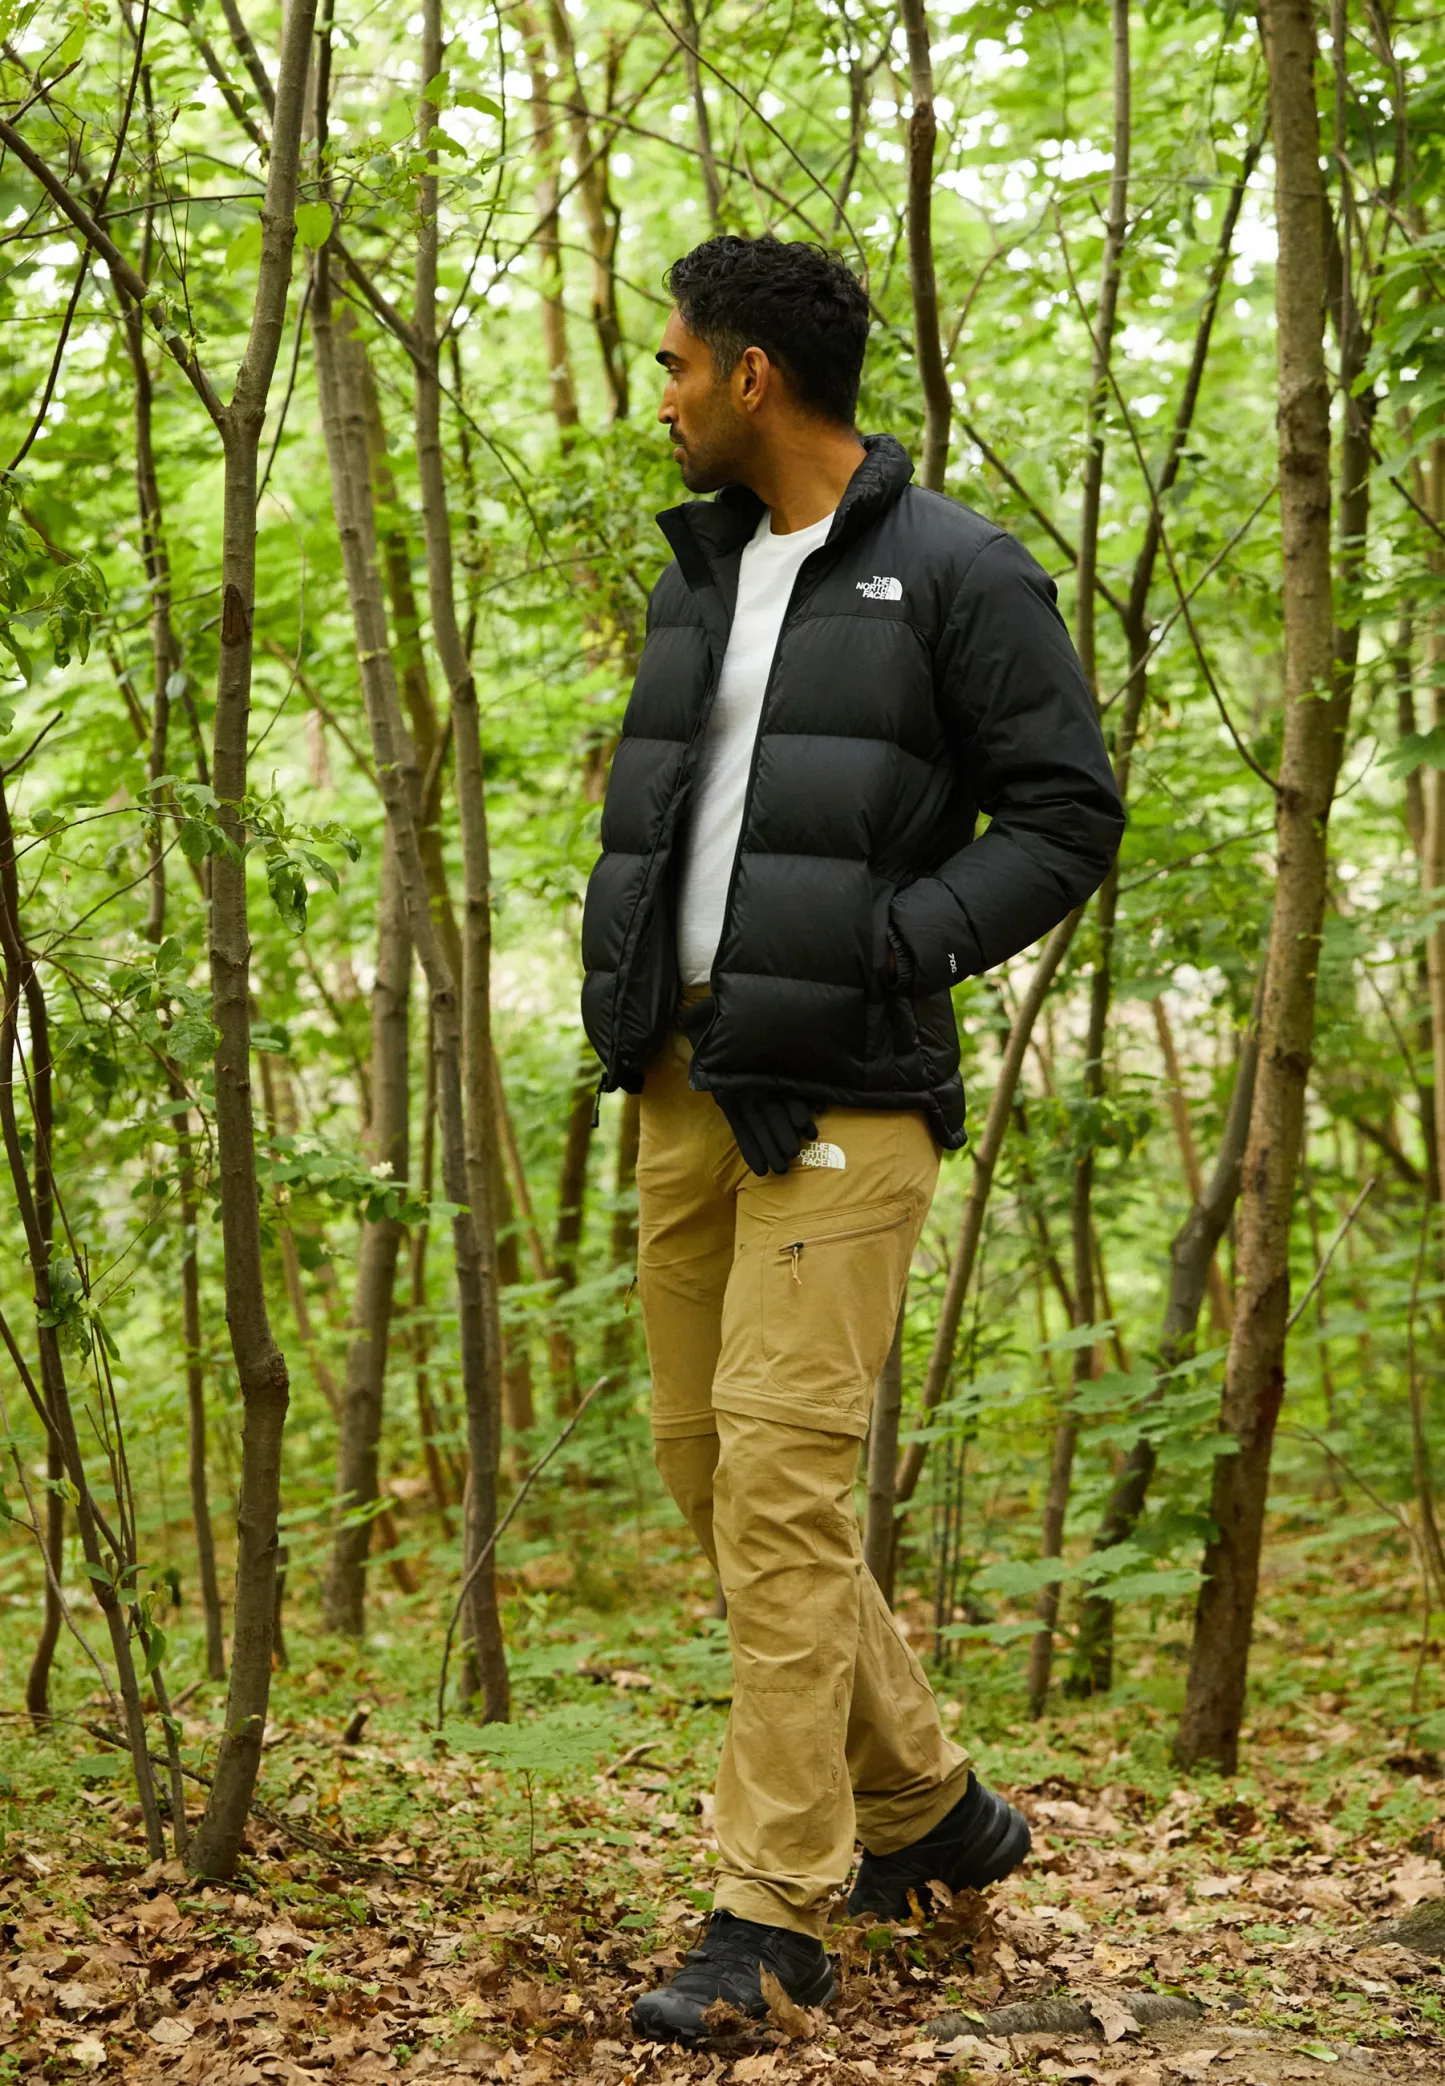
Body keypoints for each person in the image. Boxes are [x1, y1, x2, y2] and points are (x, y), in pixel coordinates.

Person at [579, 235, 1125, 2043]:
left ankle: (775, 1912)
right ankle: (930, 1803)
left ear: (753, 376)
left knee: (783, 1485)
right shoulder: (701, 574)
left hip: (849, 1098)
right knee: (707, 1470)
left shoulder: (956, 569)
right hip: (687, 1083)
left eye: (676, 364)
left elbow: (1065, 812)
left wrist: (889, 947)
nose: (661, 396)